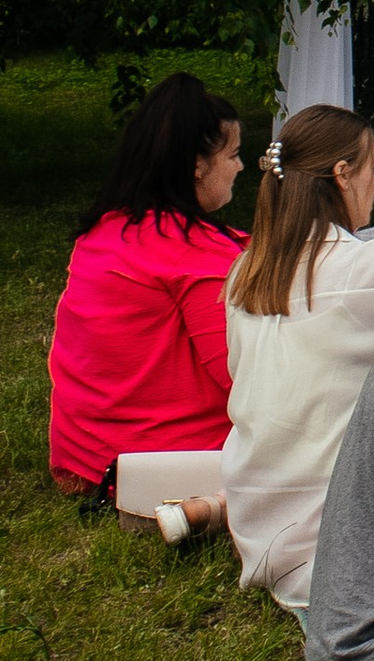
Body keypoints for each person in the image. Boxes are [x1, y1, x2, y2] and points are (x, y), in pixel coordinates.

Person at [218, 106, 374, 612]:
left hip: (257, 522)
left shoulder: (244, 270)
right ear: (343, 174)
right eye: (373, 170)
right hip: (335, 549)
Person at [46, 74, 245, 509]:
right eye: (233, 155)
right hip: (154, 463)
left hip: (83, 455)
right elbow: (241, 377)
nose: (240, 167)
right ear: (196, 165)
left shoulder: (106, 229)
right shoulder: (195, 252)